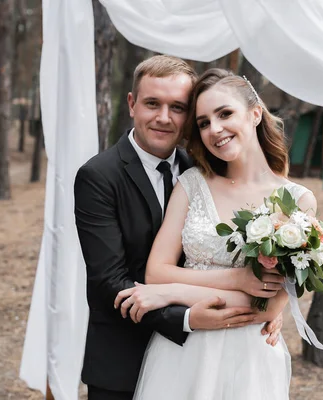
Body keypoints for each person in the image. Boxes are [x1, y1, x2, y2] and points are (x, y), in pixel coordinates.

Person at [74, 56, 283, 400]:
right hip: (123, 357)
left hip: (203, 359)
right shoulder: (99, 176)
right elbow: (108, 280)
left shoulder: (201, 169)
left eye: (178, 107)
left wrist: (273, 307)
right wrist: (187, 318)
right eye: (152, 103)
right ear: (131, 104)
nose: (163, 117)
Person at [116, 68, 318, 399]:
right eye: (204, 122)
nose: (215, 129)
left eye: (225, 114)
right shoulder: (192, 183)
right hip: (183, 353)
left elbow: (267, 309)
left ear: (255, 114)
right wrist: (237, 281)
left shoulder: (297, 202)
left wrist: (170, 294)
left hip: (250, 358)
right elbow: (156, 272)